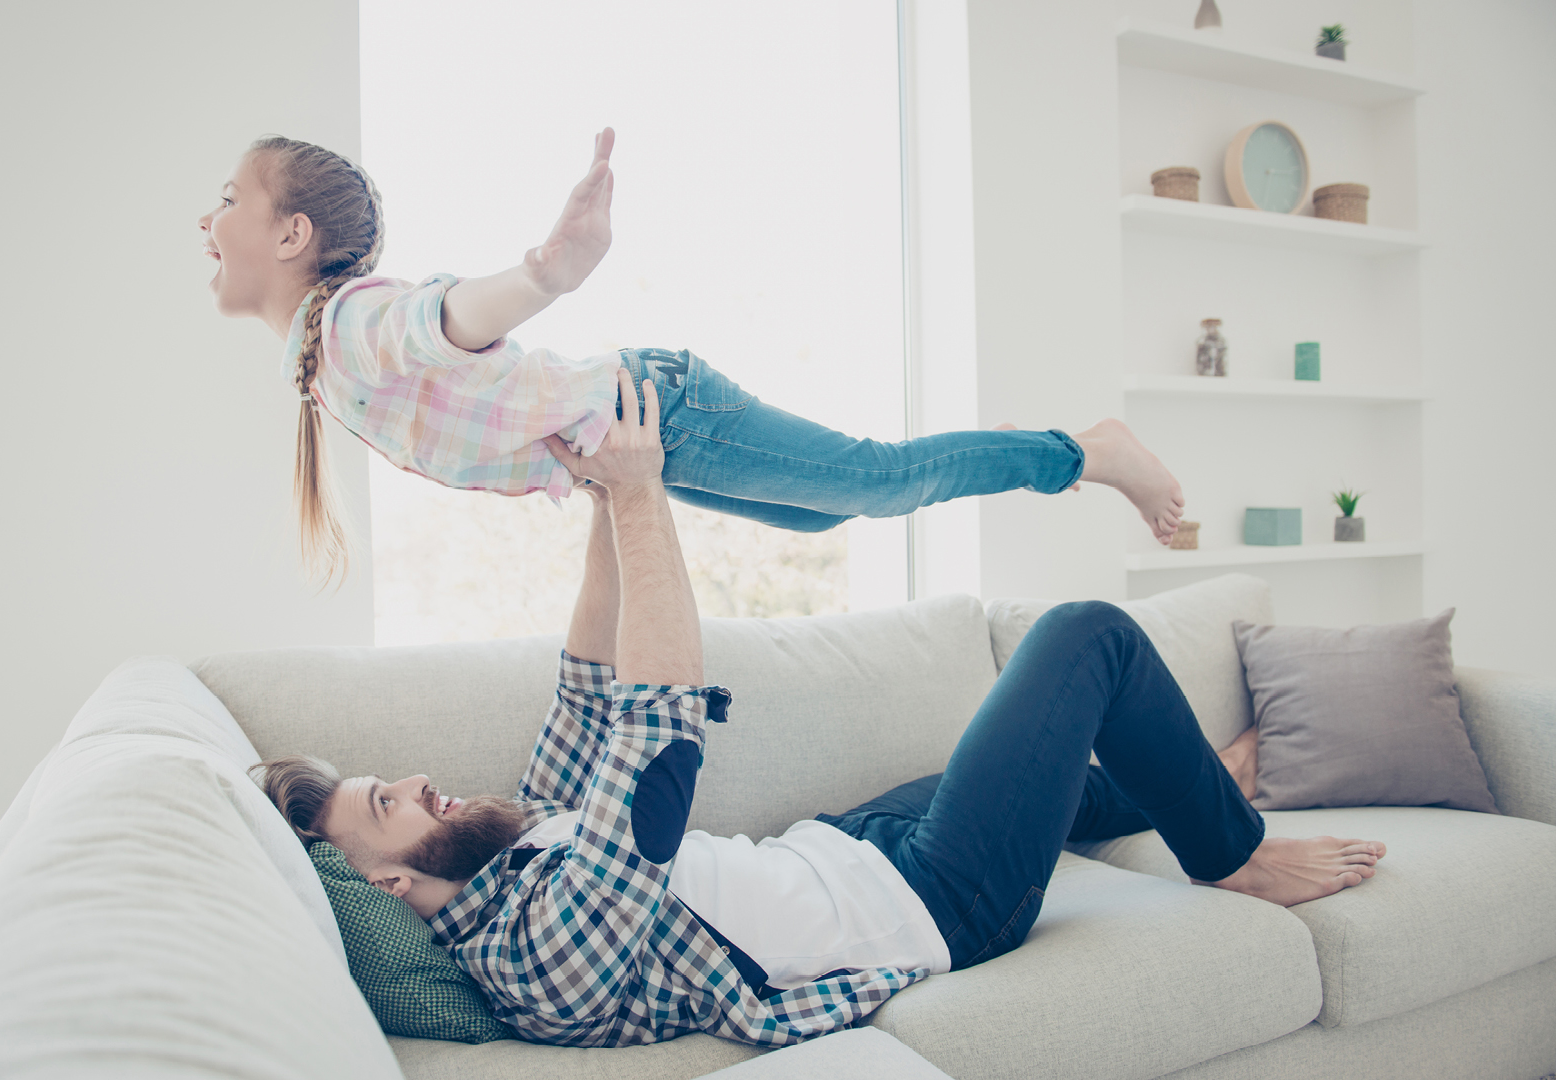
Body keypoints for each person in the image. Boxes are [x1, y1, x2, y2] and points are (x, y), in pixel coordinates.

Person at [255, 372, 1386, 1048]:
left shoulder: (513, 845)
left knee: (1049, 772)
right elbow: (652, 737)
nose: (412, 783)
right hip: (933, 904)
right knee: (1082, 636)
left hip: (848, 849)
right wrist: (647, 497)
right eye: (384, 804)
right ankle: (1231, 853)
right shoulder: (536, 958)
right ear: (391, 882)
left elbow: (592, 685)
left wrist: (601, 491)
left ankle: (1197, 776)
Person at [199, 129, 1187, 584]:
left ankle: (1088, 451)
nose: (209, 219)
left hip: (658, 410)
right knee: (831, 513)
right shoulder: (323, 353)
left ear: (291, 236)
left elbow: (442, 317)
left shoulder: (348, 327)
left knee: (881, 485)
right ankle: (994, 447)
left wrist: (544, 272)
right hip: (647, 432)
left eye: (230, 199)